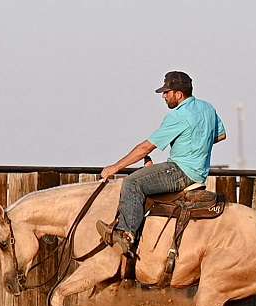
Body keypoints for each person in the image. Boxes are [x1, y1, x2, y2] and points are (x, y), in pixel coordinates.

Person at [97, 71, 227, 255]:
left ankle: (126, 234)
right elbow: (221, 135)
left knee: (132, 182)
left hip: (180, 171)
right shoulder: (207, 108)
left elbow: (146, 148)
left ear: (179, 94)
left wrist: (114, 167)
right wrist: (197, 144)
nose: (164, 96)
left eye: (167, 92)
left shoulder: (178, 116)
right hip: (198, 172)